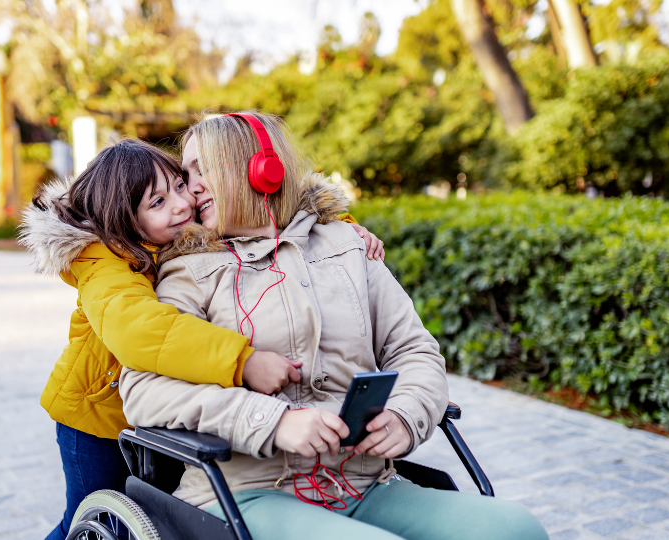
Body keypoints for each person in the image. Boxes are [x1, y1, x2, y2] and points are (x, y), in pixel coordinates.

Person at [119, 112, 548, 540]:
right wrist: (273, 422)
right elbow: (143, 389)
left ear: (260, 170)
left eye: (201, 170)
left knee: (516, 530)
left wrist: (405, 415)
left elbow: (415, 350)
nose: (190, 190)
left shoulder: (348, 247)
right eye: (185, 174)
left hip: (362, 484)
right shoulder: (188, 271)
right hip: (243, 493)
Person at [19, 138, 385, 540]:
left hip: (167, 415)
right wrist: (242, 362)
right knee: (95, 522)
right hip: (96, 418)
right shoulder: (101, 262)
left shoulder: (183, 235)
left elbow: (264, 215)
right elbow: (142, 331)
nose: (181, 204)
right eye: (156, 203)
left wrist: (340, 229)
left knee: (161, 514)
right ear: (123, 220)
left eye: (179, 185)